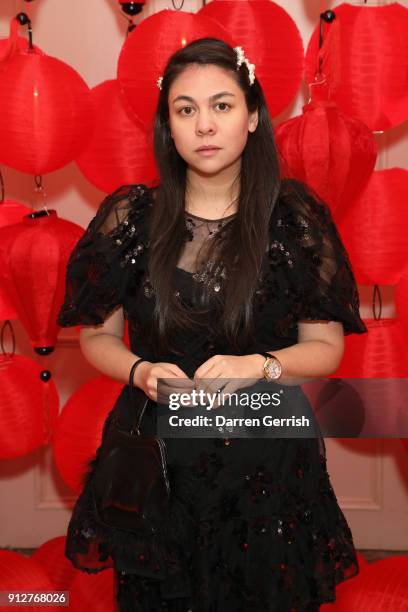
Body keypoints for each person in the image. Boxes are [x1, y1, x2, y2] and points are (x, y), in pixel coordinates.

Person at [57, 37, 368, 612]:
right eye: (186, 109)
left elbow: (326, 347)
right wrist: (139, 368)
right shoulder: (130, 218)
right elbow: (94, 335)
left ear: (252, 118)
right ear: (167, 126)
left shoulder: (295, 220)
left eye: (222, 106)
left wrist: (263, 365)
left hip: (265, 464)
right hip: (155, 464)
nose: (204, 125)